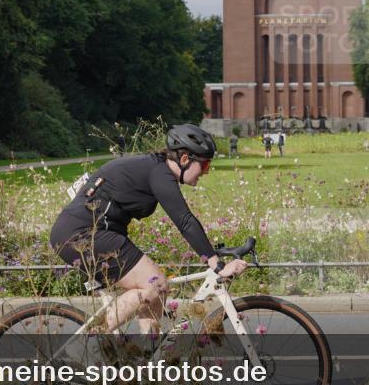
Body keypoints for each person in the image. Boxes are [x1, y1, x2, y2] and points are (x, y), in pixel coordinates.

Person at [49, 124, 246, 334]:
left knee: (156, 292)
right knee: (156, 284)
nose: (206, 172)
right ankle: (93, 339)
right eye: (205, 165)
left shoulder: (153, 167)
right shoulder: (159, 172)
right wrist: (217, 264)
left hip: (90, 231)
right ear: (185, 159)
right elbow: (184, 221)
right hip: (82, 233)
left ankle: (150, 351)